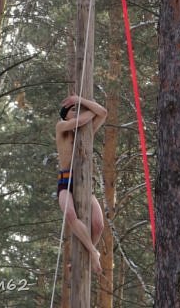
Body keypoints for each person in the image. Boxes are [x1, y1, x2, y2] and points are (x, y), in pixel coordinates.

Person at [56, 94, 107, 275]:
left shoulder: (86, 131)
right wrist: (84, 107)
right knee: (70, 214)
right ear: (65, 114)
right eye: (73, 110)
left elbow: (103, 112)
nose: (77, 112)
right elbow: (86, 118)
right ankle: (93, 252)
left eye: (79, 110)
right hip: (65, 181)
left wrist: (80, 100)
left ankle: (87, 253)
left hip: (84, 182)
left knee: (98, 224)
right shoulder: (62, 126)